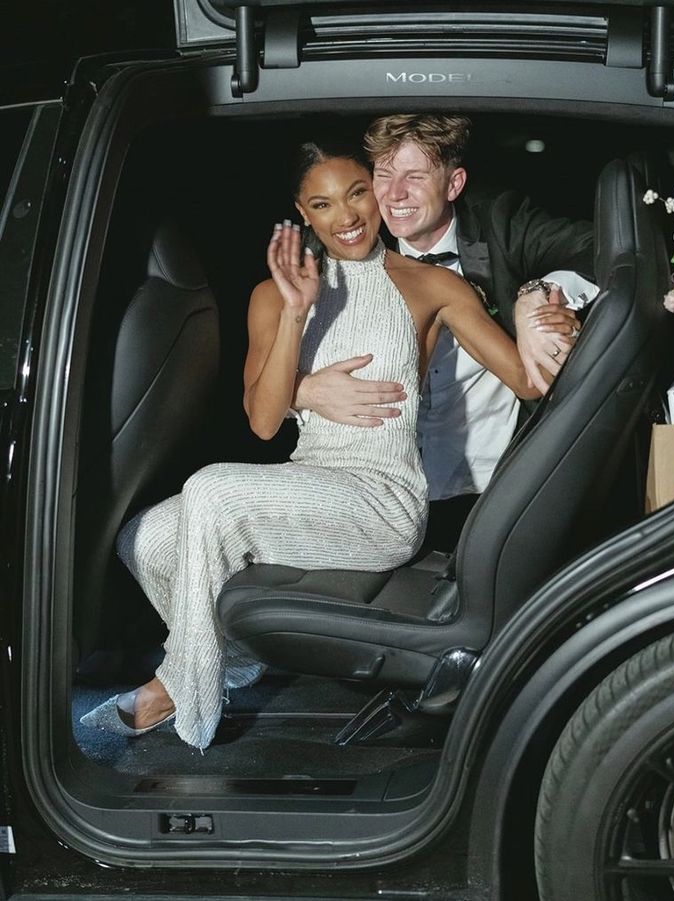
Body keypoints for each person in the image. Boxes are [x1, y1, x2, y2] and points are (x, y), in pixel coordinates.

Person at [80, 141, 557, 751]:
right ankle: (223, 660)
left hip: (384, 500)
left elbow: (524, 378)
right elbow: (262, 420)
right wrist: (297, 316)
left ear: (378, 194)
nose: (347, 215)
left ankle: (183, 692)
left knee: (210, 491)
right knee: (141, 537)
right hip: (313, 482)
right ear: (303, 215)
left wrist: (534, 305)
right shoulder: (272, 296)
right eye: (323, 204)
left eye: (358, 193)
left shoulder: (432, 285)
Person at [294, 115, 598, 549]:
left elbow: (606, 247)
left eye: (414, 177)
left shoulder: (500, 222)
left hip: (496, 488)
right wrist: (301, 391)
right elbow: (272, 365)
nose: (394, 194)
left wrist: (540, 292)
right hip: (380, 492)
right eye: (383, 175)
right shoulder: (338, 249)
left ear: (453, 184)